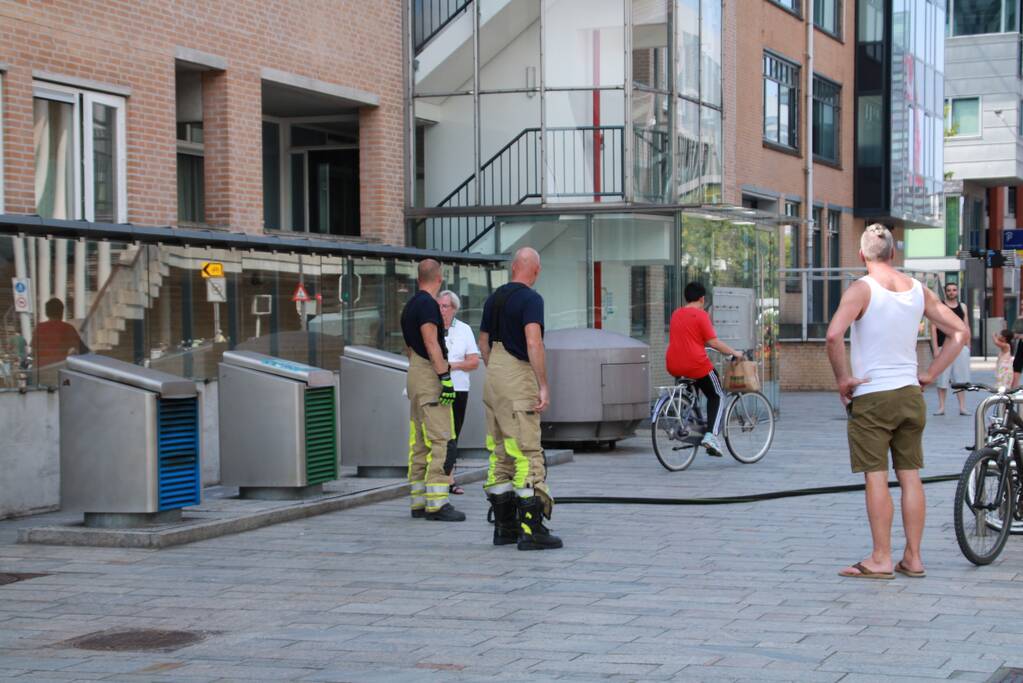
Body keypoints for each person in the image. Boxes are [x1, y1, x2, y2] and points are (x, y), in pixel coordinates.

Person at [826, 224, 969, 580]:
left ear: (861, 254)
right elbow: (960, 332)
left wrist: (843, 380)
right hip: (909, 395)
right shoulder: (918, 290)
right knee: (910, 476)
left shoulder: (861, 289)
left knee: (876, 476)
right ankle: (914, 558)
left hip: (873, 396)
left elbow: (833, 335)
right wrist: (930, 373)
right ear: (893, 253)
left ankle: (881, 558)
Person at [478, 247, 561, 550]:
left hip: (494, 378)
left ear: (513, 267)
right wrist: (543, 385)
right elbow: (533, 342)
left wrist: (496, 371)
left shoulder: (493, 298)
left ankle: (505, 528)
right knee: (527, 452)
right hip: (517, 376)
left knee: (500, 452)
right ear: (535, 270)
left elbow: (483, 342)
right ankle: (531, 530)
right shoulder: (531, 299)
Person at [399, 259, 465, 522]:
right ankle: (438, 504)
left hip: (415, 374)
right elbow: (431, 342)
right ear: (440, 278)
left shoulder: (410, 306)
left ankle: (418, 501)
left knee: (419, 443)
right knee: (441, 440)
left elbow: (410, 347)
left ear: (418, 279)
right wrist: (445, 378)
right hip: (429, 375)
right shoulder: (428, 305)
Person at [665, 282, 743, 457]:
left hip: (674, 364)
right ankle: (711, 436)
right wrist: (734, 352)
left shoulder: (676, 314)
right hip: (696, 364)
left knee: (694, 395)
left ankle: (691, 425)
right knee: (717, 395)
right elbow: (713, 342)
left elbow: (690, 337)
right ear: (702, 299)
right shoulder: (701, 315)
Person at [437, 289, 480, 495]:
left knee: (454, 434)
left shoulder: (464, 329)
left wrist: (452, 366)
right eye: (438, 306)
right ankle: (439, 477)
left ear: (454, 309)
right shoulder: (431, 329)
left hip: (459, 387)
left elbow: (474, 362)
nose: (441, 310)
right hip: (436, 387)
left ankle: (450, 479)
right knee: (438, 434)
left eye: (445, 306)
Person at [930, 281, 970, 416]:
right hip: (943, 347)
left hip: (960, 348)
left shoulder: (963, 307)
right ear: (945, 292)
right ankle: (941, 407)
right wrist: (936, 348)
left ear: (957, 291)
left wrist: (968, 345)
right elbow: (933, 328)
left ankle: (962, 407)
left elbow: (966, 326)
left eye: (954, 290)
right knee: (942, 378)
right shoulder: (940, 307)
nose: (951, 292)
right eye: (949, 290)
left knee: (961, 378)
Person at [33, 298, 87, 369]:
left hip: (40, 370)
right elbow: (83, 350)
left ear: (46, 313)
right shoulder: (67, 328)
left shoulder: (39, 328)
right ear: (62, 312)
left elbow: (33, 351)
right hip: (58, 369)